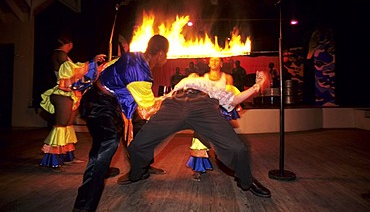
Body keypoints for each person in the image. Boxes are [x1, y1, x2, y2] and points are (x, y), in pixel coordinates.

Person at [121, 71, 272, 199]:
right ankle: (137, 173)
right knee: (137, 145)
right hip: (174, 104)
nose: (193, 75)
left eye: (196, 74)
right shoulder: (176, 88)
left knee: (236, 148)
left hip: (203, 105)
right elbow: (153, 104)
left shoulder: (211, 86)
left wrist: (257, 85)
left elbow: (234, 99)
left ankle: (246, 180)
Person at [73, 34, 169, 212]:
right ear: (162, 54)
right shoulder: (142, 74)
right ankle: (83, 207)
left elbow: (109, 68)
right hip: (100, 104)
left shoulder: (133, 55)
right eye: (167, 55)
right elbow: (147, 109)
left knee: (136, 128)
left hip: (108, 102)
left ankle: (139, 167)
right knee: (108, 141)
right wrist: (171, 98)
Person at [39, 34, 106, 172]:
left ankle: (67, 156)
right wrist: (91, 63)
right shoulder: (60, 54)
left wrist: (93, 66)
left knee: (68, 125)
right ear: (69, 44)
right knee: (61, 125)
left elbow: (75, 69)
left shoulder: (62, 55)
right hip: (63, 94)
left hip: (70, 94)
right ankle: (52, 159)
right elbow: (72, 71)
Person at [186, 57, 239, 181]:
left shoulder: (227, 77)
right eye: (212, 60)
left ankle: (229, 165)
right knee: (199, 140)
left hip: (220, 114)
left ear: (221, 63)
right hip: (205, 113)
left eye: (216, 60)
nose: (214, 62)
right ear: (209, 63)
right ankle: (198, 169)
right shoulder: (203, 78)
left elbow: (231, 95)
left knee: (224, 141)